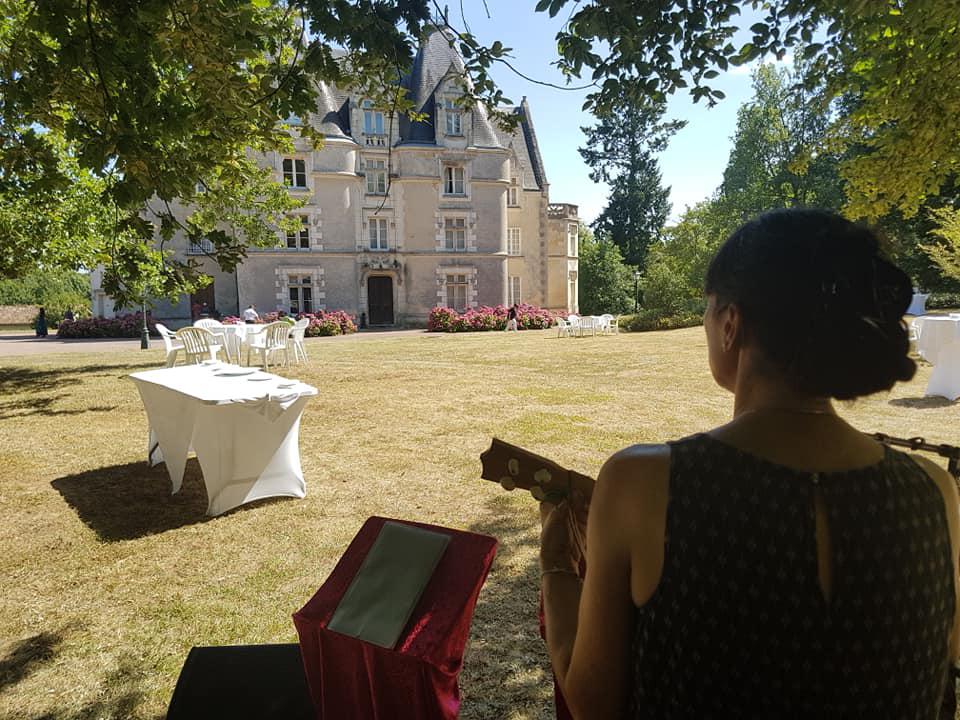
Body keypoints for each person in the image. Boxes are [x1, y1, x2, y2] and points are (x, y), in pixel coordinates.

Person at [539, 209, 960, 718]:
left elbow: (592, 703)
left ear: (731, 324)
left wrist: (558, 564)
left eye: (708, 310)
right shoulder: (934, 492)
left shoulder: (645, 481)